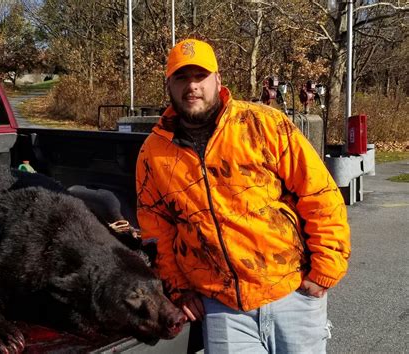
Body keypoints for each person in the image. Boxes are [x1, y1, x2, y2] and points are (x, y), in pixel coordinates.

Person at [135, 38, 351, 353]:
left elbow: (318, 193)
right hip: (222, 308)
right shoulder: (153, 154)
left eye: (200, 76)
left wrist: (325, 269)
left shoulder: (263, 124)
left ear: (217, 80)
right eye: (182, 77)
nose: (192, 86)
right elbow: (158, 231)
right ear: (169, 84)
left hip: (292, 293)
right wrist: (178, 290)